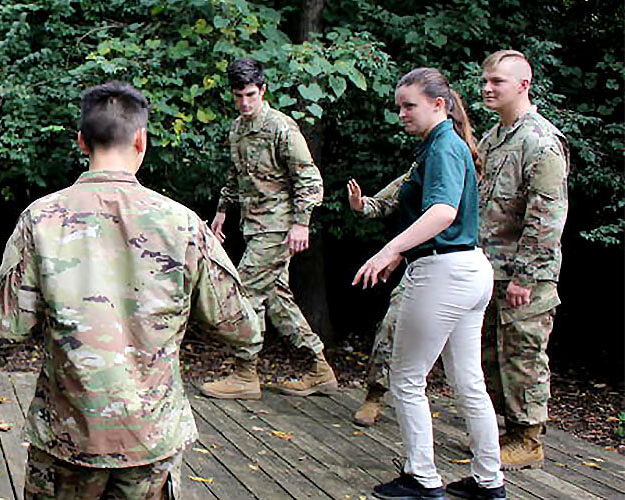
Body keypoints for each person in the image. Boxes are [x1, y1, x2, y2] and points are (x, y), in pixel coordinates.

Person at [0, 81, 261, 500]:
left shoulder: (41, 219)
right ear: (141, 140)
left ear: (82, 141)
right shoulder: (183, 225)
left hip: (67, 440)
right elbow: (241, 329)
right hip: (149, 439)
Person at [354, 68, 505, 500]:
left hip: (443, 273)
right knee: (468, 381)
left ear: (438, 105)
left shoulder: (443, 146)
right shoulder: (443, 146)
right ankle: (488, 481)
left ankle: (422, 477)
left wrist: (389, 250)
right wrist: (401, 250)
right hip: (469, 270)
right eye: (399, 106)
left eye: (409, 106)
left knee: (406, 378)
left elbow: (442, 213)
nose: (401, 113)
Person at [202, 57, 337, 400]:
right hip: (254, 225)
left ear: (263, 90)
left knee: (243, 292)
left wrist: (300, 224)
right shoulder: (238, 129)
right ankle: (318, 369)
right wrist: (221, 212)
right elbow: (236, 176)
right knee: (277, 301)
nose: (245, 103)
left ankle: (245, 373)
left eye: (250, 94)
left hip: (278, 228)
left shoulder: (281, 128)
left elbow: (309, 178)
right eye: (238, 96)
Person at [477, 49, 569, 470]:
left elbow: (546, 217)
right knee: (495, 355)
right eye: (485, 81)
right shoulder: (495, 138)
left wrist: (525, 277)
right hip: (491, 267)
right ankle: (509, 428)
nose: (487, 88)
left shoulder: (540, 141)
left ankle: (529, 438)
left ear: (523, 85)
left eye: (497, 81)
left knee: (523, 355)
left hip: (524, 276)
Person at [345, 173, 408, 426]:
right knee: (392, 325)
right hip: (424, 265)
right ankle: (375, 394)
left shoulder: (472, 160)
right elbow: (388, 200)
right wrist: (361, 205)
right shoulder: (424, 162)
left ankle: (508, 423)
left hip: (470, 266)